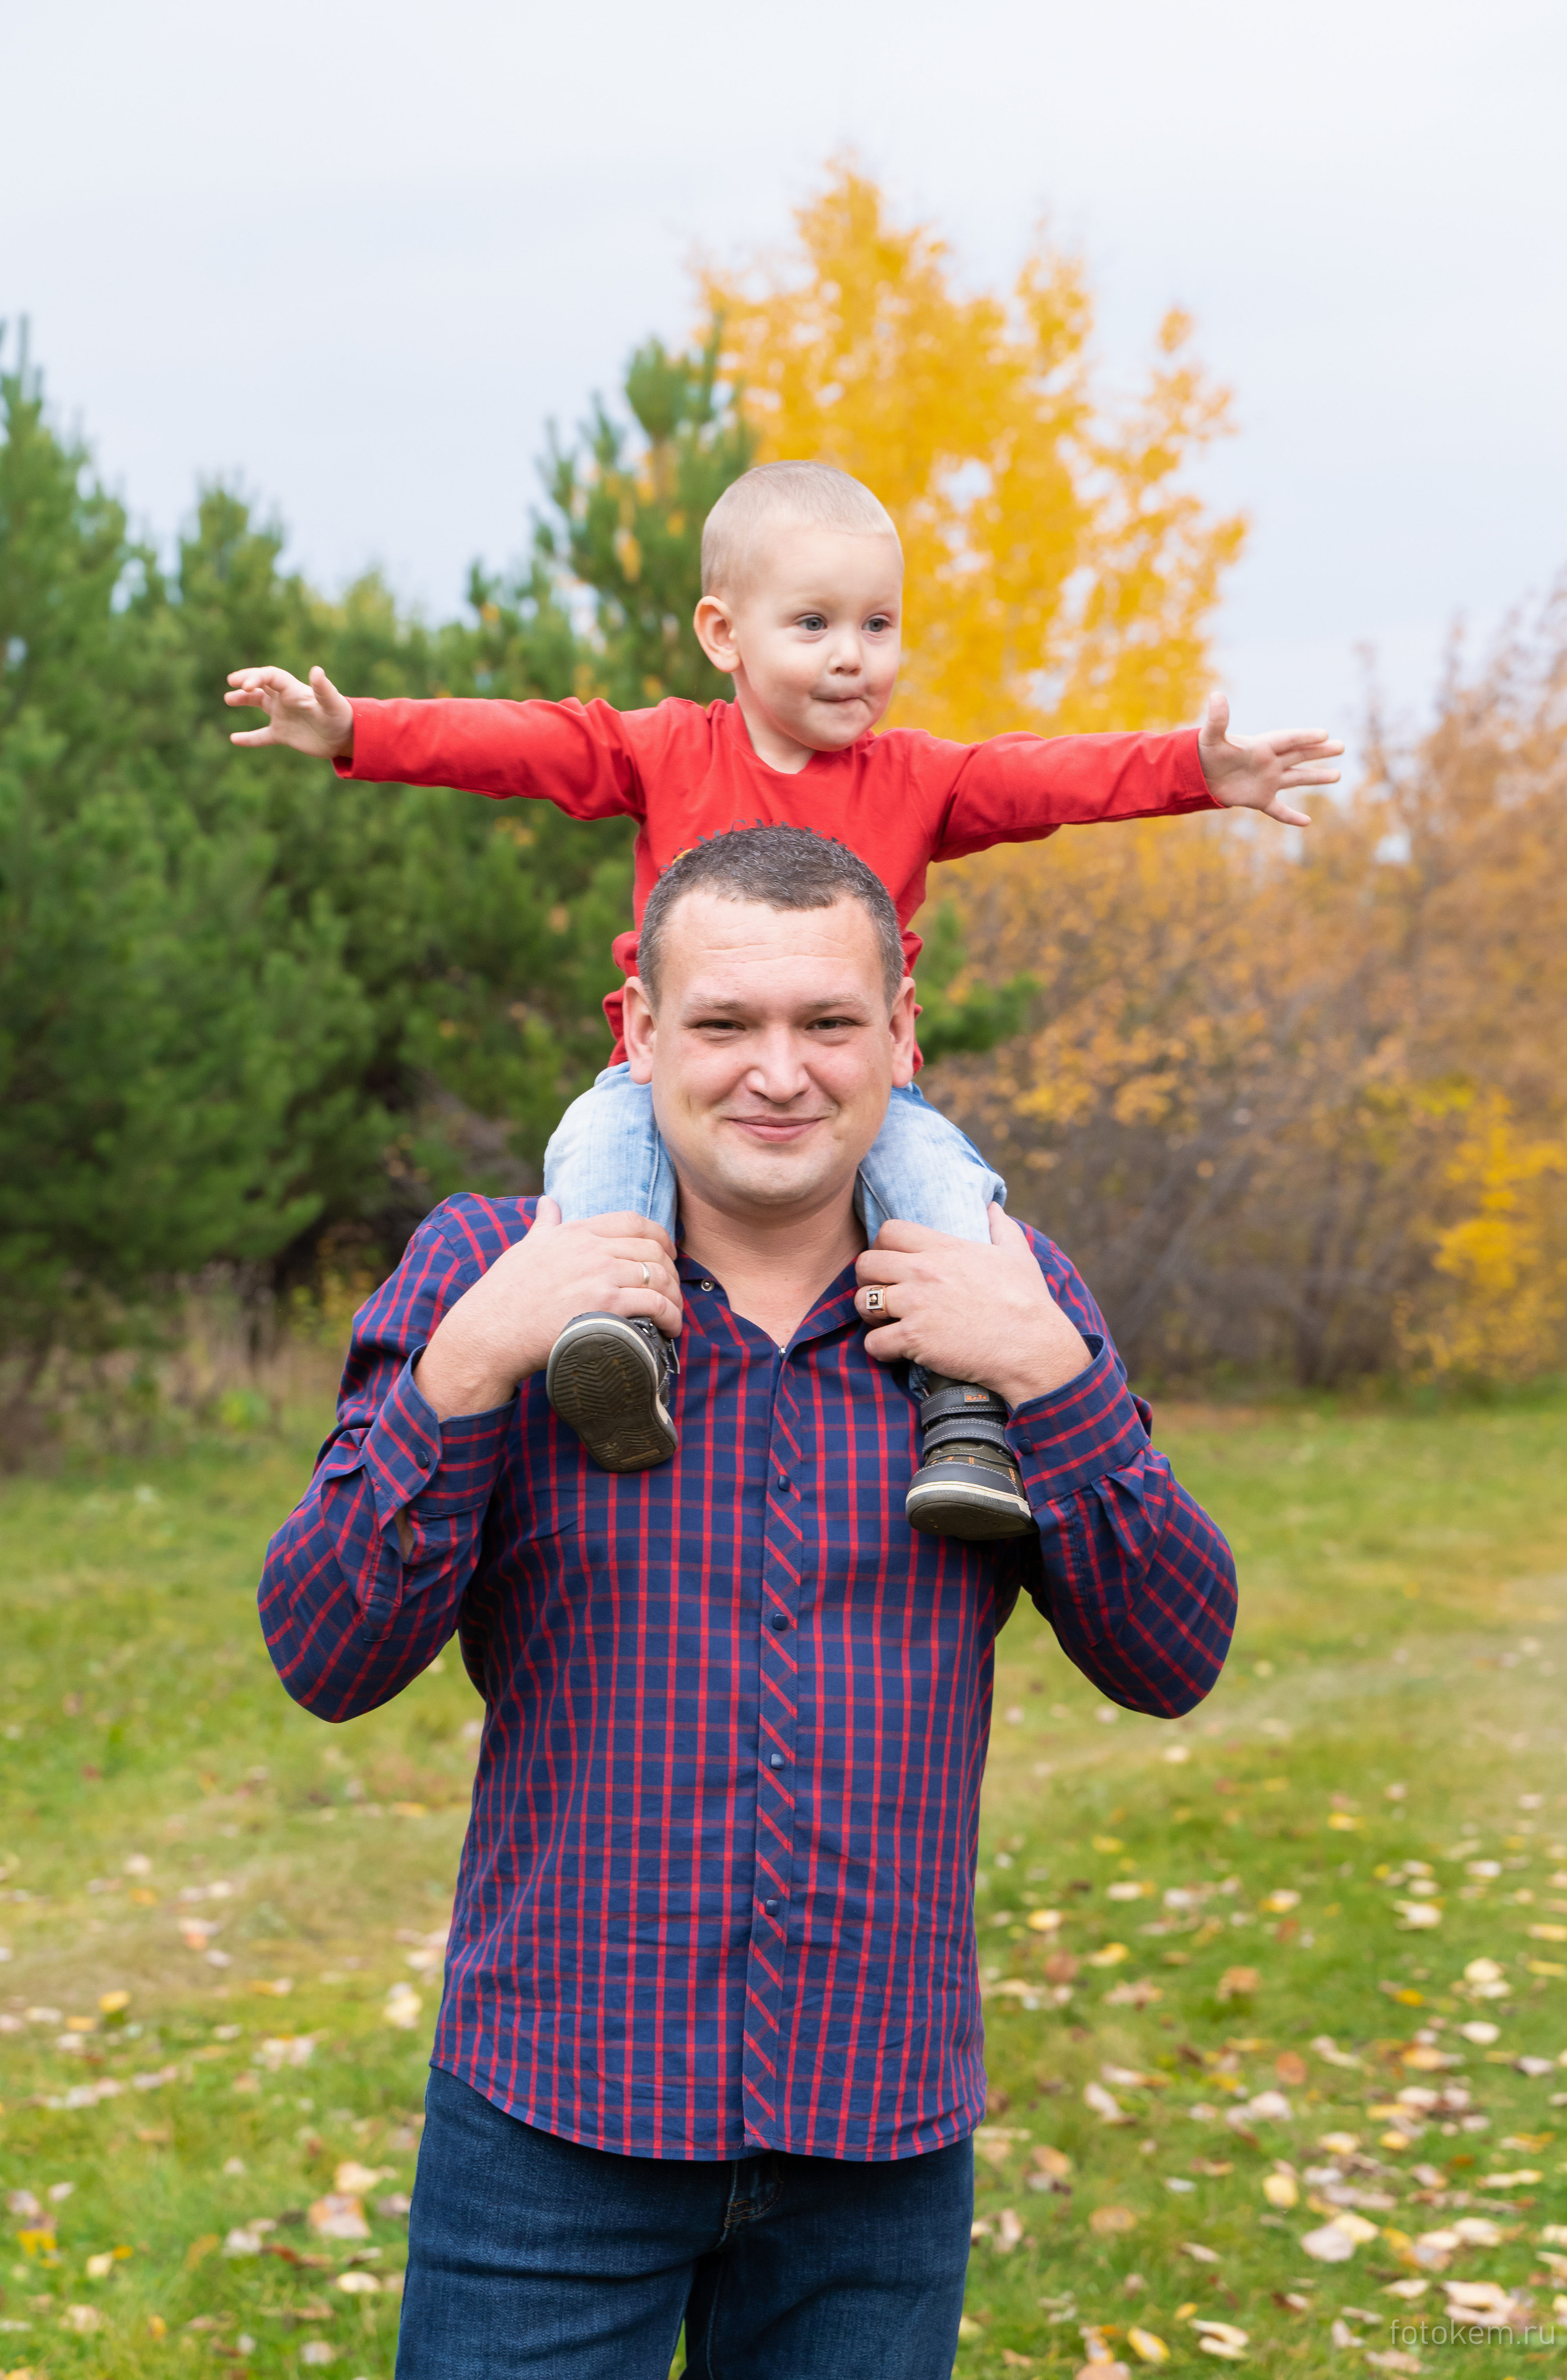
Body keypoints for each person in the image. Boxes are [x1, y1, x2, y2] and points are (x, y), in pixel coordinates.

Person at [257, 824, 1237, 2380]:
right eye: (723, 1025)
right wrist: (459, 1370)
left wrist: (1051, 1375)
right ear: (638, 1034)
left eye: (826, 1024)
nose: (776, 1072)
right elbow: (323, 1651)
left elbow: (1172, 1654)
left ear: (898, 1036)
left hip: (876, 2125)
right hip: (553, 2115)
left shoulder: (994, 1291)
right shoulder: (488, 1266)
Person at [226, 459, 1338, 1542]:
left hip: (865, 1096)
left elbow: (1049, 777)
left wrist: (1200, 772)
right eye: (813, 626)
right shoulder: (664, 750)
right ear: (726, 636)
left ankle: (963, 1421)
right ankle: (625, 1352)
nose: (853, 659)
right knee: (594, 1151)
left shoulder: (920, 778)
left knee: (943, 1183)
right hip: (661, 1085)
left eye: (878, 627)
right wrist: (356, 731)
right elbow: (518, 744)